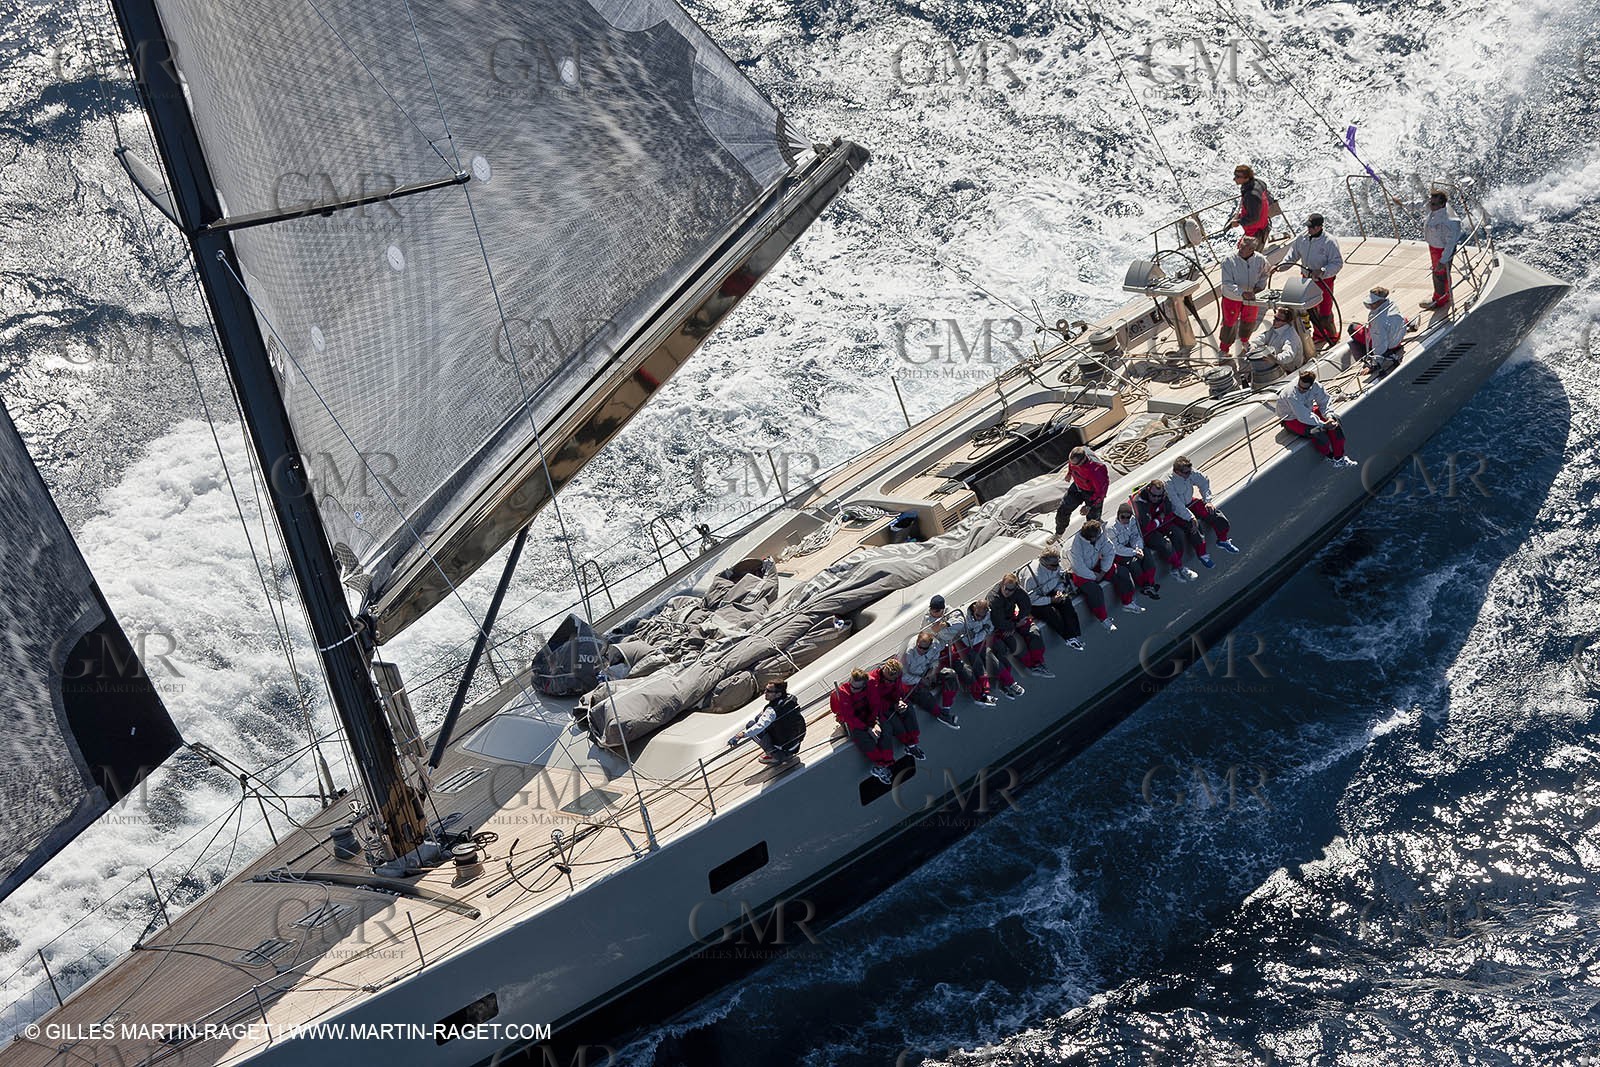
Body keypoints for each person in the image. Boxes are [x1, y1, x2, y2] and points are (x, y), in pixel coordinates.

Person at [1271, 214, 1343, 345]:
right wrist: (1279, 267)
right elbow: (1292, 256)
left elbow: (1337, 263)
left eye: (1311, 227)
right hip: (1306, 279)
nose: (1308, 229)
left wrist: (1322, 271)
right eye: (1308, 226)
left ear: (1320, 227)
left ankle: (1333, 337)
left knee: (1325, 313)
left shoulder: (1330, 242)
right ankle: (1319, 335)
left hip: (1323, 281)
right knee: (1310, 309)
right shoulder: (1301, 238)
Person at [1068, 519, 1144, 631]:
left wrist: (1103, 571)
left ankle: (1128, 602)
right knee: (1095, 590)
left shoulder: (1100, 535)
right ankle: (1103, 619)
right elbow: (1079, 567)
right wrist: (1094, 576)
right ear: (1091, 537)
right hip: (1081, 573)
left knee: (1121, 572)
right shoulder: (1075, 547)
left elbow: (1109, 550)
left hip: (1096, 565)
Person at [1278, 368, 1355, 466]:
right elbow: (1303, 416)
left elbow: (1324, 402)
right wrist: (1323, 424)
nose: (1301, 390)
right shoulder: (1291, 394)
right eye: (1299, 387)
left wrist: (1329, 417)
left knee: (1335, 421)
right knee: (1317, 431)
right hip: (1291, 419)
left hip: (1308, 411)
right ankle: (1329, 456)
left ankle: (1339, 457)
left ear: (1311, 385)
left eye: (1304, 389)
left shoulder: (1316, 386)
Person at [1166, 455, 1239, 557]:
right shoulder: (1168, 482)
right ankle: (1202, 554)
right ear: (1178, 472)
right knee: (1194, 528)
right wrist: (1191, 517)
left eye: (1190, 471)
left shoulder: (1189, 472)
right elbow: (1176, 504)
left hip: (1190, 502)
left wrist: (1207, 501)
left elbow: (1203, 482)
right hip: (1177, 510)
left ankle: (1222, 540)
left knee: (1215, 515)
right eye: (1187, 472)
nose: (1190, 474)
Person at [831, 668, 893, 783]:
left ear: (864, 685)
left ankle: (888, 760)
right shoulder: (844, 692)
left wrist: (874, 723)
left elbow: (875, 705)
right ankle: (879, 764)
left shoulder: (870, 687)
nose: (853, 689)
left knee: (886, 729)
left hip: (868, 716)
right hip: (853, 721)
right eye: (852, 685)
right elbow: (849, 717)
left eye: (856, 688)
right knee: (862, 737)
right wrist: (867, 728)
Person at [1131, 480, 1200, 584]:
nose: (1156, 499)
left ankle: (1176, 565)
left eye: (1159, 496)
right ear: (1148, 491)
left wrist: (1158, 520)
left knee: (1178, 534)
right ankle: (1179, 567)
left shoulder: (1165, 496)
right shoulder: (1139, 503)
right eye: (1153, 496)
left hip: (1159, 524)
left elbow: (1168, 514)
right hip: (1143, 533)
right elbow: (1146, 527)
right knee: (1164, 543)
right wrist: (1159, 519)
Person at [958, 598, 1023, 704]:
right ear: (974, 609)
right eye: (978, 615)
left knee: (1000, 656)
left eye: (982, 617)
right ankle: (989, 692)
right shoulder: (963, 619)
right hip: (967, 647)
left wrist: (981, 632)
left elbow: (990, 627)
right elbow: (969, 640)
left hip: (981, 641)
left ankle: (1006, 684)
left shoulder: (987, 614)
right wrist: (984, 630)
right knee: (981, 665)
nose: (980, 618)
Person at [727, 680, 806, 765]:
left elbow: (759, 726)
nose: (765, 692)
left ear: (778, 694)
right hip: (796, 741)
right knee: (759, 718)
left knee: (750, 725)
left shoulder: (772, 710)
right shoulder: (791, 698)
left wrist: (740, 735)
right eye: (765, 690)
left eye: (769, 691)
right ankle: (782, 750)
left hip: (785, 747)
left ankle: (775, 754)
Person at [991, 572, 1052, 678]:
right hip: (1001, 626)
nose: (1007, 592)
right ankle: (1031, 666)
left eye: (1011, 590)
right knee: (1016, 643)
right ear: (1002, 584)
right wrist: (1014, 625)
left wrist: (1019, 620)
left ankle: (1038, 662)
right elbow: (998, 622)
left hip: (1014, 619)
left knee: (1034, 632)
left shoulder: (1017, 591)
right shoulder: (994, 599)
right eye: (1005, 588)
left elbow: (1026, 606)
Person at [1219, 235, 1270, 360]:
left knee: (1249, 320)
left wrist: (1258, 289)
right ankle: (1223, 349)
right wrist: (1241, 293)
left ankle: (1245, 342)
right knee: (1229, 323)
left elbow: (1265, 274)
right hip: (1232, 298)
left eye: (1244, 248)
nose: (1240, 249)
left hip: (1252, 298)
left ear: (1252, 250)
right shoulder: (1228, 260)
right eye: (1240, 246)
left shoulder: (1260, 259)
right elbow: (1227, 283)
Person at [1024, 550, 1086, 651]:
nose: (1057, 567)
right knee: (1049, 612)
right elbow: (1031, 600)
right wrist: (1050, 600)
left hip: (1050, 592)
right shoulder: (1032, 577)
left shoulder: (1055, 568)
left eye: (1058, 563)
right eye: (1054, 565)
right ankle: (1068, 638)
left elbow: (1059, 581)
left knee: (1065, 601)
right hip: (1035, 602)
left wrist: (1059, 591)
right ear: (1044, 563)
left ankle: (1074, 634)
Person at [901, 630, 961, 729]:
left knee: (950, 674)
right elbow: (903, 677)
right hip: (912, 681)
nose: (921, 650)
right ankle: (940, 714)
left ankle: (946, 708)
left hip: (927, 673)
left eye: (925, 648)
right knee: (922, 694)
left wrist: (932, 670)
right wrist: (919, 680)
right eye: (919, 647)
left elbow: (935, 660)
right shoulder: (908, 654)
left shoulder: (935, 645)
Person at [867, 658, 925, 762]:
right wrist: (893, 705)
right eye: (888, 680)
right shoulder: (872, 681)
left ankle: (913, 740)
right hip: (879, 707)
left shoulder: (896, 677)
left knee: (909, 709)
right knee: (894, 722)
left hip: (891, 702)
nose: (890, 682)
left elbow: (897, 690)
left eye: (893, 680)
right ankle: (907, 744)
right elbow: (874, 703)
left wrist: (899, 701)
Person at [923, 594, 980, 698]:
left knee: (966, 671)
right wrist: (948, 630)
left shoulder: (950, 611)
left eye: (936, 611)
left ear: (942, 610)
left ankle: (979, 694)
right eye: (931, 610)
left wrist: (946, 624)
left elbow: (960, 622)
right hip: (935, 654)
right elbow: (945, 635)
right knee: (947, 675)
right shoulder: (928, 619)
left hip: (948, 651)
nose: (932, 613)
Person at [1348, 286, 1408, 377]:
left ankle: (1367, 353)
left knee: (1353, 327)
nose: (1371, 305)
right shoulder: (1392, 304)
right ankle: (1411, 324)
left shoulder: (1378, 321)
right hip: (1397, 340)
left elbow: (1379, 343)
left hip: (1388, 347)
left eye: (1373, 303)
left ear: (1380, 301)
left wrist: (1374, 364)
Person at [1053, 445, 1110, 533]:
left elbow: (1101, 491)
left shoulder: (1096, 469)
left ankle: (1094, 533)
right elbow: (1071, 464)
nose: (1072, 465)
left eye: (1075, 464)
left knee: (1092, 523)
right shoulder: (1075, 459)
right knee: (1063, 509)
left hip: (1093, 494)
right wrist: (1069, 473)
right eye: (1071, 463)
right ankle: (1059, 532)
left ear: (1083, 459)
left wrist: (1089, 506)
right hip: (1078, 486)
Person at [1109, 501, 1159, 600]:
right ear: (1118, 516)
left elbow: (1135, 536)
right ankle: (1144, 585)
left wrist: (1138, 548)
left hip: (1131, 547)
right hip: (1119, 553)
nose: (1125, 520)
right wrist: (1134, 552)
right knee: (1133, 564)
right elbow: (1117, 548)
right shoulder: (1111, 529)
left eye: (1128, 517)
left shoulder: (1132, 521)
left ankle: (1150, 582)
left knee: (1147, 554)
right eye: (1123, 517)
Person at [1421, 189, 1462, 310]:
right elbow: (1420, 205)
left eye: (1433, 204)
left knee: (1440, 274)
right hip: (1434, 247)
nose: (1430, 206)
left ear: (1442, 204)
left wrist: (1443, 260)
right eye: (1430, 203)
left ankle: (1439, 300)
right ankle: (1443, 296)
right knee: (1438, 273)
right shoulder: (1434, 210)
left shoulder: (1449, 222)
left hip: (1442, 250)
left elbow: (1450, 244)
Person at [1225, 164, 1273, 249]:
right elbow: (1267, 201)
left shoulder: (1251, 195)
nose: (1234, 179)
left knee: (1245, 255)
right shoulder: (1259, 183)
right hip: (1263, 224)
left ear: (1246, 178)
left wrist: (1239, 222)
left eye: (1237, 176)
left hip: (1256, 231)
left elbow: (1254, 218)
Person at [1251, 306, 1304, 370]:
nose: (1274, 320)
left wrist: (1275, 358)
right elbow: (1264, 337)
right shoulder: (1275, 328)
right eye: (1275, 317)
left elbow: (1289, 355)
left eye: (1277, 319)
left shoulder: (1291, 337)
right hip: (1277, 364)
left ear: (1286, 322)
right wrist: (1254, 345)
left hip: (1290, 369)